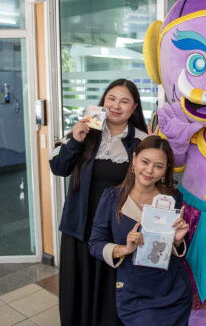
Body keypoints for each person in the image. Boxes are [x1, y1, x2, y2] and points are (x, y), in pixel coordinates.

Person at [50, 79, 152, 326]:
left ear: (134, 107)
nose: (116, 106)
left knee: (111, 293)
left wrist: (155, 149)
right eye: (111, 99)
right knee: (78, 290)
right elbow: (59, 168)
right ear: (103, 101)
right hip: (80, 228)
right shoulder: (84, 131)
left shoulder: (141, 141)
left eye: (124, 101)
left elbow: (152, 182)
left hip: (116, 231)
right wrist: (75, 141)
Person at [89, 135, 193, 325]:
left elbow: (179, 250)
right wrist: (124, 249)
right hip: (134, 294)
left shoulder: (172, 199)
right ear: (134, 159)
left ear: (166, 169)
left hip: (173, 290)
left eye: (158, 166)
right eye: (145, 162)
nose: (150, 170)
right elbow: (95, 244)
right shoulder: (112, 198)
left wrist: (177, 240)